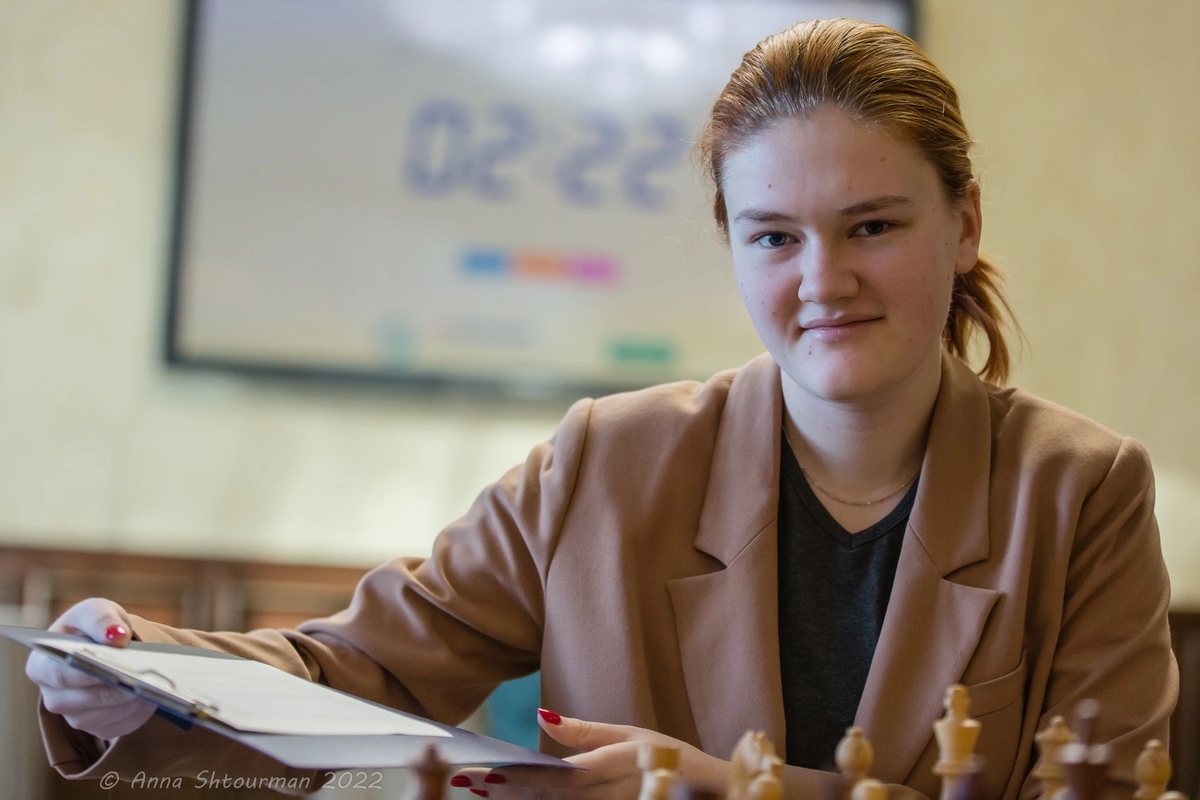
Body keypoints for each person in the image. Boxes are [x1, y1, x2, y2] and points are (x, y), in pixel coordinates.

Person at [25, 18, 1176, 800]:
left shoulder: (1083, 490)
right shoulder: (603, 462)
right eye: (774, 236)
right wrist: (139, 663)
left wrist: (720, 785)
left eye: (871, 226)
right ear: (731, 242)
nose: (823, 279)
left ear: (964, 223)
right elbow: (360, 666)